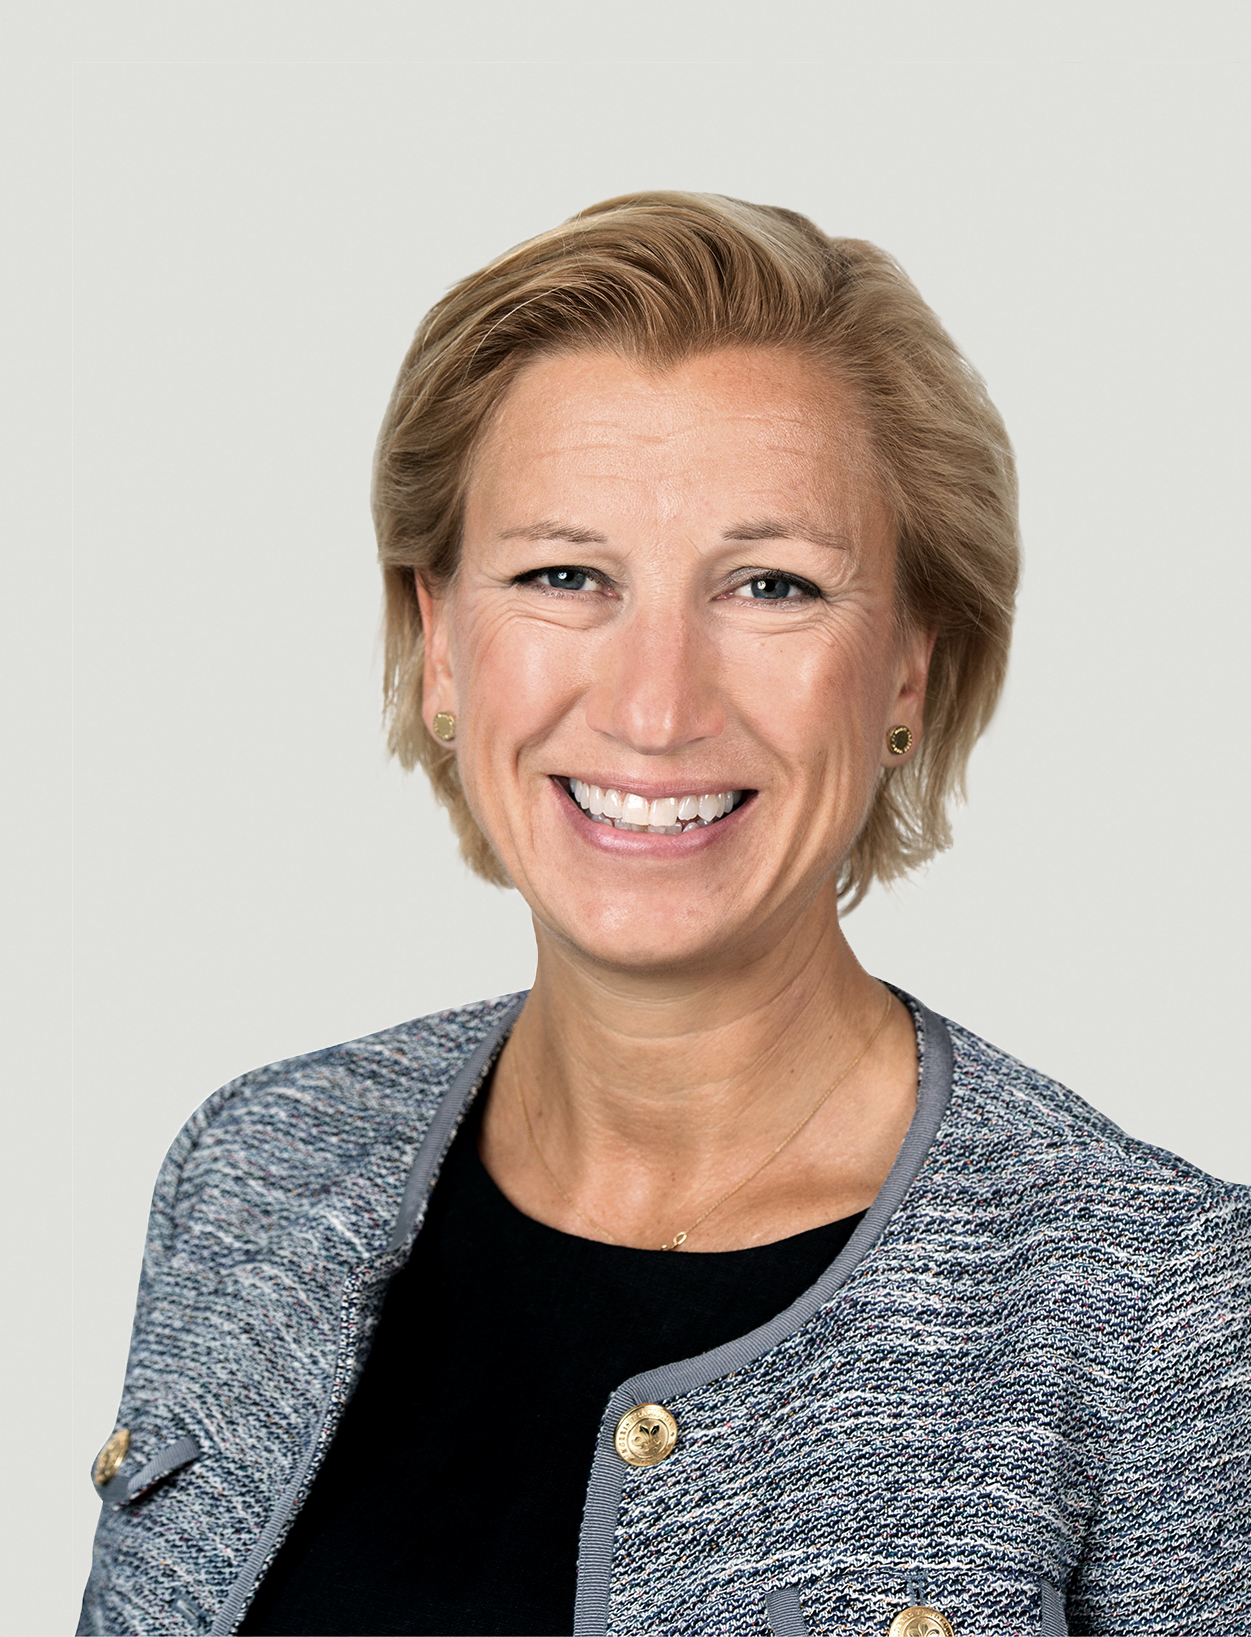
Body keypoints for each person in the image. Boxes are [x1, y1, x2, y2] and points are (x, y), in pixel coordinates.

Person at [79, 193, 1249, 1637]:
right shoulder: (255, 1171)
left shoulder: (1168, 1310)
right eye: (564, 575)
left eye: (772, 585)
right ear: (440, 644)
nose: (654, 706)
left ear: (907, 669)